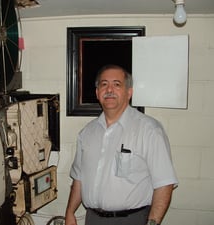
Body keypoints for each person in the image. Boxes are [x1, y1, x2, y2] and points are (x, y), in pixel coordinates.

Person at [65, 65, 178, 225]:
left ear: (129, 92)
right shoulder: (87, 133)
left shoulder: (149, 130)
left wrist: (152, 223)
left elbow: (164, 183)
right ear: (97, 93)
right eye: (104, 84)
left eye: (117, 84)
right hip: (92, 219)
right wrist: (70, 212)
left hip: (132, 219)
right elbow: (79, 179)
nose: (109, 90)